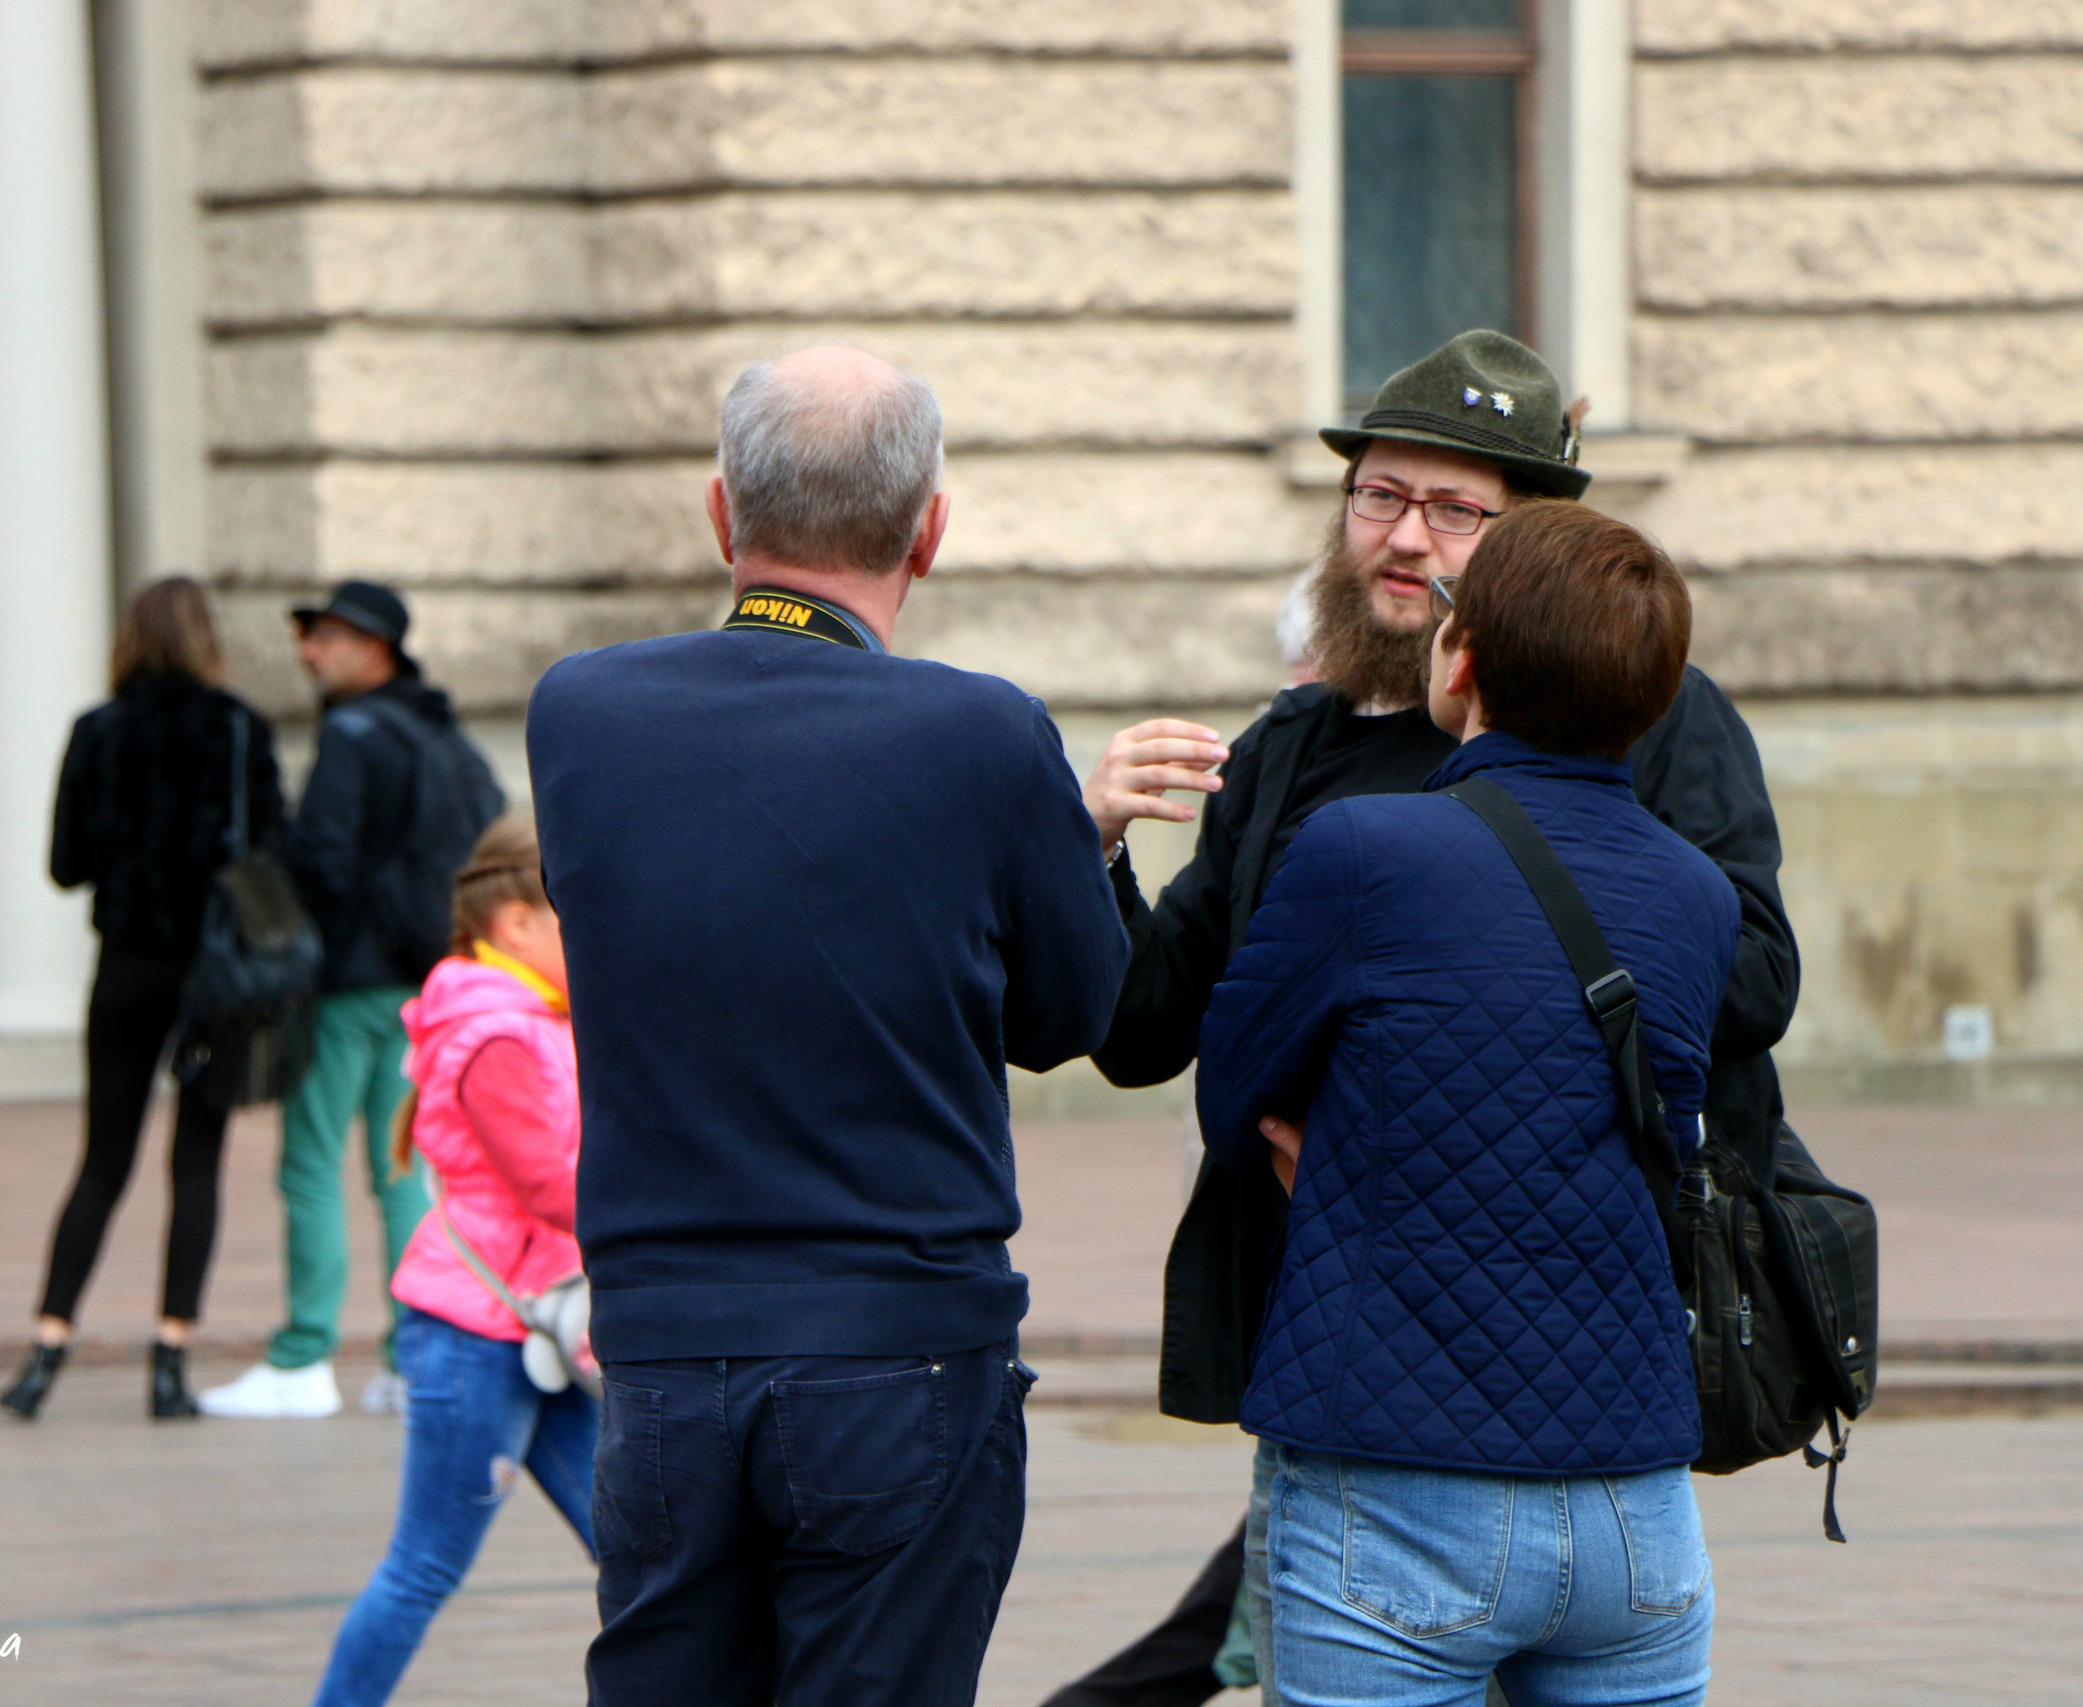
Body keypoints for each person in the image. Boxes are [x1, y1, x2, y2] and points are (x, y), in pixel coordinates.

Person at [1045, 330, 1801, 1707]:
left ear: (1532, 547)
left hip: (1570, 1347)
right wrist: (1092, 846)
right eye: (1379, 495)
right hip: (1343, 1334)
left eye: (1457, 509)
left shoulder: (1653, 719)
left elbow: (1749, 977)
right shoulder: (1295, 741)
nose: (1405, 538)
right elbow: (1148, 1024)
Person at [526, 346, 1130, 1707]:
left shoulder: (581, 710)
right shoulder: (983, 733)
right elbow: (1070, 1014)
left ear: (721, 513)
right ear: (931, 526)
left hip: (667, 1339)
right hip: (900, 1335)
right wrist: (1074, 840)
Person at [1199, 500, 1734, 1704]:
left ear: (1463, 656)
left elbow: (1233, 1094)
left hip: (1390, 1476)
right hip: (1633, 1498)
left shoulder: (1360, 849)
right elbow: (1657, 1141)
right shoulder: (1700, 895)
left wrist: (1340, 1154)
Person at [202, 580, 506, 1420]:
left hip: (348, 987)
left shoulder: (353, 730)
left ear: (377, 646)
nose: (309, 651)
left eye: (327, 636)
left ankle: (303, 1354)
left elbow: (324, 861)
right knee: (399, 1167)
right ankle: (410, 1358)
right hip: (422, 981)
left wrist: (306, 950)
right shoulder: (441, 732)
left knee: (307, 1163)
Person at [311, 813, 597, 1706]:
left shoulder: (533, 1013)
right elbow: (552, 1185)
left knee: (642, 1550)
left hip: (542, 1322)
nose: (592, 933)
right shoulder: (496, 1030)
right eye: (572, 914)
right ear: (514, 921)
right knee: (425, 1565)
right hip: (478, 1333)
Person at [0, 576, 284, 1422]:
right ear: (206, 640)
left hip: (126, 968)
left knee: (103, 1159)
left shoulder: (97, 731)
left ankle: (48, 1345)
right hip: (217, 976)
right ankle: (170, 1356)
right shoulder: (239, 730)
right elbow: (273, 848)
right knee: (195, 1162)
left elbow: (66, 862)